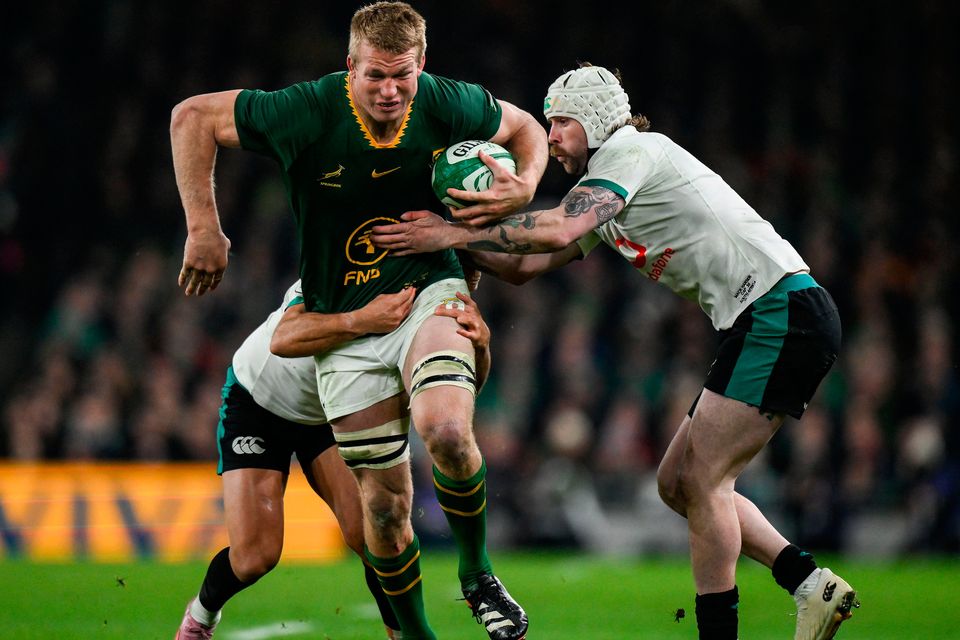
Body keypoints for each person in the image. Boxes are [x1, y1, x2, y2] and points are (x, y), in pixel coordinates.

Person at [371, 63, 860, 640]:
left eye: (561, 124)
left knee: (704, 483)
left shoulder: (632, 152)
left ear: (598, 120)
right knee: (677, 481)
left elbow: (554, 229)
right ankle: (810, 583)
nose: (550, 138)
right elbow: (526, 266)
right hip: (764, 317)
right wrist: (451, 238)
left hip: (780, 312)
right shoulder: (605, 186)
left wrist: (451, 235)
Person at [169, 3, 546, 638]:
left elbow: (527, 130)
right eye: (375, 75)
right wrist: (204, 228)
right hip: (325, 341)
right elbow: (191, 115)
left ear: (422, 67)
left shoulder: (448, 103)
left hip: (423, 287)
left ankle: (477, 573)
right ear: (350, 67)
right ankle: (206, 616)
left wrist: (526, 184)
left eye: (403, 75)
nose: (391, 90)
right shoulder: (309, 110)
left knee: (446, 431)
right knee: (366, 520)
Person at [176, 280, 494, 640]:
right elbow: (284, 338)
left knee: (374, 535)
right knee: (254, 557)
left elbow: (459, 394)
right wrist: (364, 319)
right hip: (259, 401)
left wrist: (479, 349)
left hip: (332, 413)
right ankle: (200, 617)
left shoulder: (431, 307)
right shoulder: (342, 271)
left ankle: (401, 634)